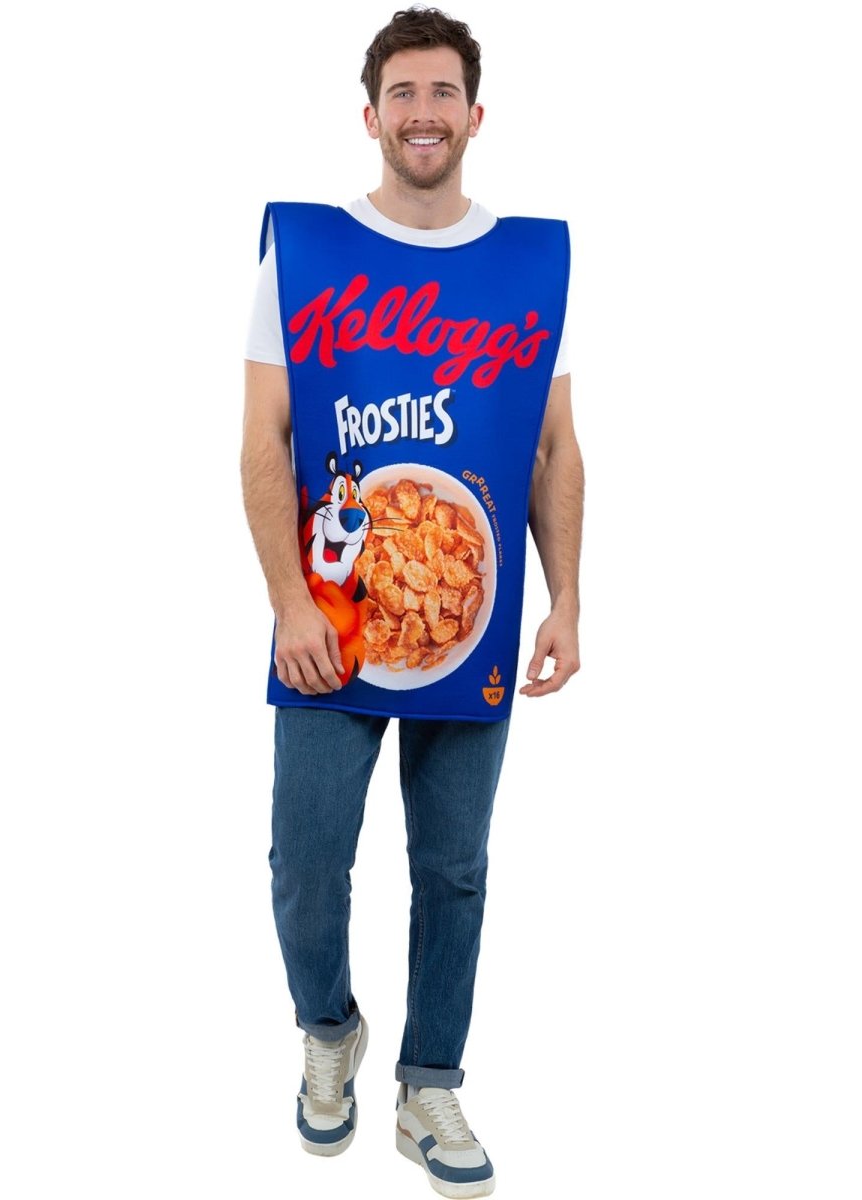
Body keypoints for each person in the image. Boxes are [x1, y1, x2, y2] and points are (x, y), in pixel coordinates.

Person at [241, 8, 583, 1196]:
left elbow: (552, 449)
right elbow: (265, 440)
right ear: (370, 114)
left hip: (471, 629)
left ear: (475, 114)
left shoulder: (533, 263)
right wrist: (290, 603)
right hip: (329, 623)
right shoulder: (304, 249)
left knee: (453, 869)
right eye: (403, 93)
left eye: (443, 92)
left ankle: (429, 1080)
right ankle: (328, 1029)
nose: (423, 112)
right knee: (305, 861)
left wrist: (566, 600)